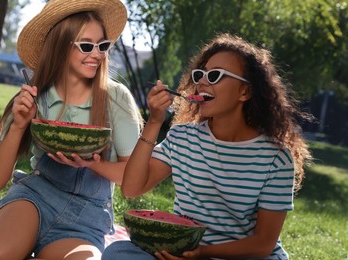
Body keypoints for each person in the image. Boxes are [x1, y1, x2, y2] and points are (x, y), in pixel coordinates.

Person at [0, 0, 143, 259]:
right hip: (34, 197)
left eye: (102, 45)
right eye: (87, 46)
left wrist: (91, 164)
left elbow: (131, 175)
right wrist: (19, 126)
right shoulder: (36, 96)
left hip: (86, 216)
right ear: (60, 46)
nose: (97, 54)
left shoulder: (116, 98)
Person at [102, 33, 312, 260]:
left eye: (214, 76)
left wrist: (202, 253)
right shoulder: (182, 138)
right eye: (199, 74)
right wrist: (154, 122)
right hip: (184, 253)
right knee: (118, 253)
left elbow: (263, 244)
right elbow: (132, 188)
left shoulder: (276, 158)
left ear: (245, 91)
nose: (201, 82)